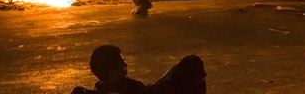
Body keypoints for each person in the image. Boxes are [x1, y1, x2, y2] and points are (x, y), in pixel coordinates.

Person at [71, 44, 207, 94]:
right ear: (112, 72)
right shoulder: (129, 88)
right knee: (192, 63)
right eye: (122, 64)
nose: (126, 66)